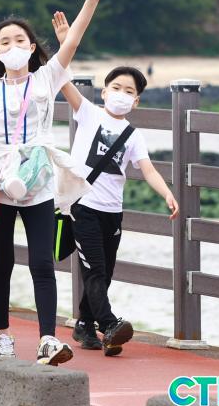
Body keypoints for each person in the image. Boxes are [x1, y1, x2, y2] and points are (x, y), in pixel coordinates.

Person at [0, 0, 110, 365]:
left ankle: (47, 339)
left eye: (20, 40)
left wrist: (91, 0)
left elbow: (72, 41)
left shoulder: (45, 79)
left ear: (31, 47)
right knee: (1, 263)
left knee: (43, 262)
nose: (13, 46)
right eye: (5, 42)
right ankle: (2, 335)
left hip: (38, 181)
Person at [55, 18, 178, 356]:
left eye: (129, 92)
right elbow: (62, 79)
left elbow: (147, 169)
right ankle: (109, 324)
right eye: (117, 88)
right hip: (83, 206)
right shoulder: (88, 113)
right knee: (94, 269)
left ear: (136, 101)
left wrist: (167, 193)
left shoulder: (134, 136)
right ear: (104, 91)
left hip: (112, 211)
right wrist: (66, 42)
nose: (122, 95)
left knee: (104, 272)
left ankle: (85, 324)